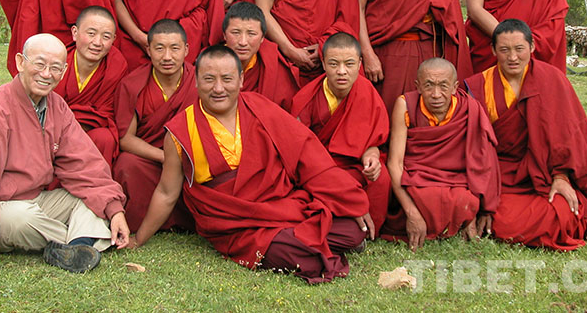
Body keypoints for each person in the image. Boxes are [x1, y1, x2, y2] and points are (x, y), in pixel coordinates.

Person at [131, 45, 373, 284]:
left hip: (283, 205)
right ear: (195, 81)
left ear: (241, 80)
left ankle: (296, 240)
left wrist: (347, 199)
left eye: (227, 79)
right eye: (209, 79)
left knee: (352, 230)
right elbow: (167, 193)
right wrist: (139, 238)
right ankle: (297, 242)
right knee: (293, 253)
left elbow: (308, 156)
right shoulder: (180, 131)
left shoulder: (260, 108)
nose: (218, 88)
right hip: (236, 226)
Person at [0, 34, 129, 278]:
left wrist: (114, 210)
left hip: (35, 199)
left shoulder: (56, 106)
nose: (46, 74)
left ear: (64, 71)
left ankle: (75, 247)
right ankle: (83, 240)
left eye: (55, 68)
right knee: (18, 218)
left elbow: (84, 163)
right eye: (40, 64)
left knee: (92, 202)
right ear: (20, 62)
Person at [464, 19, 587, 250]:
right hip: (500, 177)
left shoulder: (551, 79)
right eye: (504, 50)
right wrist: (483, 196)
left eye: (519, 49)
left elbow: (569, 134)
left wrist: (561, 177)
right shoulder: (479, 86)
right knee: (501, 218)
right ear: (493, 50)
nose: (512, 57)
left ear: (531, 47)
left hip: (546, 176)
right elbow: (473, 146)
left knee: (564, 211)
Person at [381, 58, 500, 251]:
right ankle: (446, 222)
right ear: (418, 86)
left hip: (455, 179)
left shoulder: (469, 108)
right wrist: (412, 213)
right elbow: (395, 163)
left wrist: (476, 210)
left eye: (443, 86)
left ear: (454, 87)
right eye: (429, 86)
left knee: (465, 200)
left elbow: (482, 161)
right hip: (417, 178)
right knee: (422, 196)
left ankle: (459, 219)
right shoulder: (405, 105)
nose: (436, 94)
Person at [291, 32, 390, 232]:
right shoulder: (306, 98)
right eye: (334, 64)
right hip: (320, 169)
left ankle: (369, 230)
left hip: (354, 164)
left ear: (360, 63)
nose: (342, 71)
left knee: (379, 177)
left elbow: (373, 141)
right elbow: (299, 152)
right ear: (323, 63)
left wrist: (371, 157)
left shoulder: (367, 92)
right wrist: (330, 175)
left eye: (349, 64)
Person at [112, 19, 197, 232]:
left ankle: (187, 219)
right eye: (159, 48)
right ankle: (145, 220)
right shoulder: (133, 84)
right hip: (151, 160)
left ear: (186, 50)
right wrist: (166, 157)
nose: (167, 56)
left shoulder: (199, 82)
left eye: (174, 48)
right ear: (148, 50)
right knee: (126, 164)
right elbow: (126, 139)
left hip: (190, 160)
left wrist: (182, 159)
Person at [52, 6, 127, 168]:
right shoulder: (56, 62)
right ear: (75, 33)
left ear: (114, 39)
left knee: (105, 138)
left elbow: (106, 113)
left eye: (106, 36)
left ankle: (95, 182)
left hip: (87, 130)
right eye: (91, 34)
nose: (97, 43)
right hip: (52, 132)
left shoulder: (116, 65)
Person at [223, 2, 299, 111]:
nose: (243, 42)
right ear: (224, 35)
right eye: (235, 33)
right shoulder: (208, 64)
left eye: (251, 34)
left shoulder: (273, 66)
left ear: (262, 38)